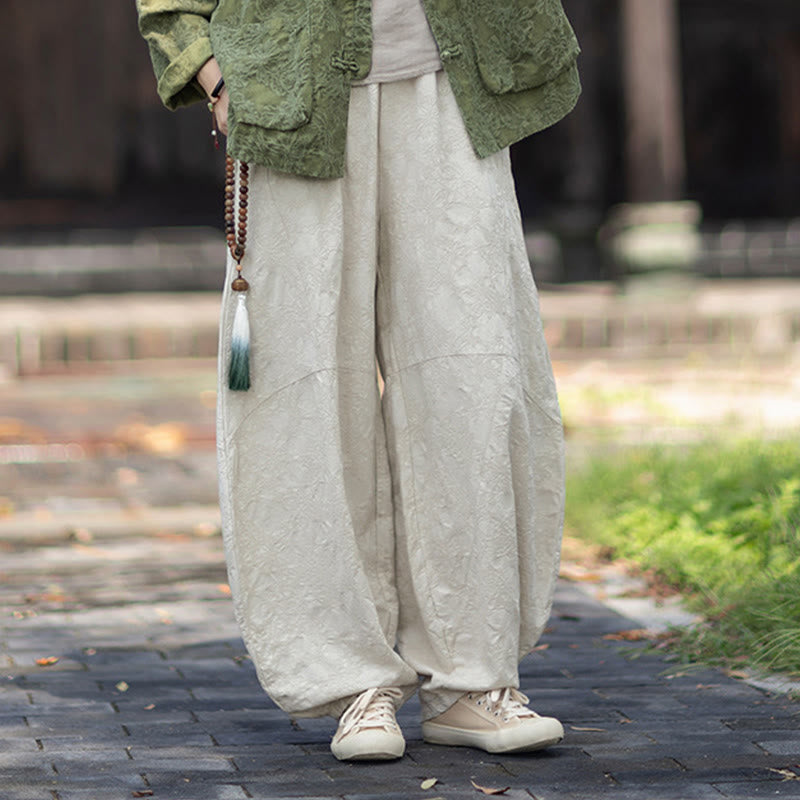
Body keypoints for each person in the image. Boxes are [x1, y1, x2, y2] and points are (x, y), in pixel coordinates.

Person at [136, 0, 580, 762]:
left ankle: (473, 678)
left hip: (450, 82)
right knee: (306, 391)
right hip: (290, 92)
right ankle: (354, 682)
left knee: (474, 376)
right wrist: (213, 77)